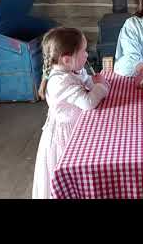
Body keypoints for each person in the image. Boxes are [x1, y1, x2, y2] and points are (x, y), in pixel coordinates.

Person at [32, 27, 109, 199]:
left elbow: (88, 84)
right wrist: (101, 86)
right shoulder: (60, 82)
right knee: (70, 176)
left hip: (76, 128)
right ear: (67, 59)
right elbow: (88, 102)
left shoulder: (72, 70)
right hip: (65, 138)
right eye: (83, 51)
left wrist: (95, 84)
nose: (87, 55)